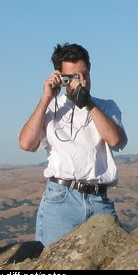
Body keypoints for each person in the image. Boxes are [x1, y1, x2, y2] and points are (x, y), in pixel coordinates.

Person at [18, 42, 128, 247]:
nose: (82, 82)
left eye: (85, 74)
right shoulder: (51, 107)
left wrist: (88, 103)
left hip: (99, 199)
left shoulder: (106, 106)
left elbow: (115, 140)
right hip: (60, 200)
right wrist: (45, 98)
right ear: (60, 77)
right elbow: (26, 143)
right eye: (74, 77)